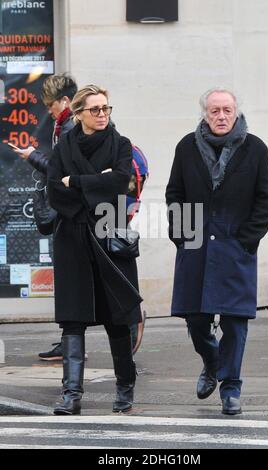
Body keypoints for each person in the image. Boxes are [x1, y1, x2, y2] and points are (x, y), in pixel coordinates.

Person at [165, 87, 268, 415]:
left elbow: (265, 199)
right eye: (215, 111)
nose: (221, 116)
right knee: (196, 319)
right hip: (196, 249)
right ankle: (211, 363)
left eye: (227, 110)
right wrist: (183, 237)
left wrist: (247, 240)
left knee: (235, 321)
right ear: (204, 114)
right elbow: (175, 193)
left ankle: (230, 388)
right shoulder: (187, 147)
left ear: (236, 111)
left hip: (235, 249)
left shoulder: (255, 149)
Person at [47, 84, 142, 415]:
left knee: (118, 319)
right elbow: (54, 192)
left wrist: (79, 183)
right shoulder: (63, 147)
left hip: (109, 237)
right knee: (73, 321)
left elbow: (119, 182)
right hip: (72, 239)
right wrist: (93, 186)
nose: (102, 114)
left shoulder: (121, 144)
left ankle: (125, 387)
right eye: (95, 109)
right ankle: (71, 394)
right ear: (79, 114)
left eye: (106, 108)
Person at [12, 73, 79, 361]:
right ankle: (69, 342)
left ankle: (124, 327)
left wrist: (32, 157)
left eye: (50, 105)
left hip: (73, 213)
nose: (48, 110)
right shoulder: (62, 124)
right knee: (70, 281)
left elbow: (60, 169)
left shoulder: (70, 126)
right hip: (67, 210)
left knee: (74, 281)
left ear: (64, 101)